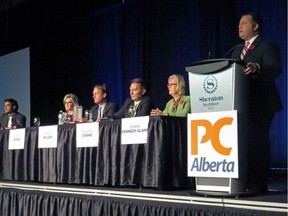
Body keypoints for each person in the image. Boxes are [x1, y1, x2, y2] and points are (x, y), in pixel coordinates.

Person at [231, 12, 282, 193]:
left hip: (261, 103)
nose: (240, 26)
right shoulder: (237, 50)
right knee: (242, 143)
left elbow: (275, 68)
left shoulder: (266, 46)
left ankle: (258, 183)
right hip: (240, 104)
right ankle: (243, 181)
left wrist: (257, 67)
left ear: (255, 26)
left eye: (244, 23)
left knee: (257, 142)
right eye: (239, 23)